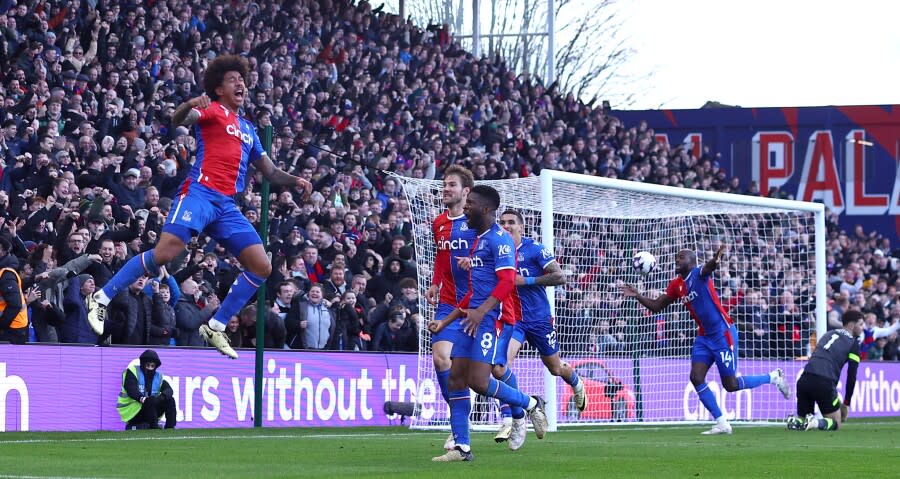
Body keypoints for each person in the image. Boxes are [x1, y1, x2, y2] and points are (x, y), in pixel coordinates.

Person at [86, 54, 312, 359]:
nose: (241, 84)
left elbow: (269, 171)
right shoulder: (212, 110)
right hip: (200, 194)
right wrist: (192, 103)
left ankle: (216, 326)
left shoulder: (248, 128)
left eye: (242, 80)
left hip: (227, 205)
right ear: (218, 89)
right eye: (233, 80)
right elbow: (178, 120)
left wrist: (296, 179)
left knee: (262, 266)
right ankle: (101, 297)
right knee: (164, 253)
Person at [428, 185, 548, 462]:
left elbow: (507, 281)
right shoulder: (478, 240)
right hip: (470, 318)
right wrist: (447, 321)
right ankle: (462, 447)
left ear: (484, 209)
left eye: (469, 203)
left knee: (480, 382)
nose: (465, 207)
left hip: (490, 320)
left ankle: (530, 403)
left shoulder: (500, 240)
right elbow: (473, 289)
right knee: (457, 379)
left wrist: (481, 312)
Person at [619, 247, 790, 435]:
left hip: (723, 334)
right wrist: (637, 295)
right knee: (696, 377)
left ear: (691, 261)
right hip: (704, 337)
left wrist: (715, 260)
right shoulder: (676, 285)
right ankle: (722, 422)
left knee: (730, 385)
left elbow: (708, 267)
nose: (677, 259)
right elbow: (657, 306)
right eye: (676, 256)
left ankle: (774, 377)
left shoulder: (698, 274)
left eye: (681, 257)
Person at [492, 209, 585, 448]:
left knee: (555, 368)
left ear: (521, 227)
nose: (506, 225)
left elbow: (559, 276)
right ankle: (514, 418)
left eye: (511, 222)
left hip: (540, 320)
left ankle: (575, 381)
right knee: (499, 367)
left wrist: (528, 280)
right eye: (502, 222)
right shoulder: (496, 250)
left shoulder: (535, 249)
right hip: (514, 321)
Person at [423, 165, 477, 451]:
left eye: (452, 185)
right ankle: (460, 425)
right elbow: (442, 259)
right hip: (447, 302)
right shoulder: (438, 222)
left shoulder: (476, 222)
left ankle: (517, 411)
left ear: (465, 191)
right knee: (440, 358)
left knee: (485, 373)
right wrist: (434, 283)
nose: (446, 189)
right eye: (444, 185)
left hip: (477, 304)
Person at [787, 310, 863, 432]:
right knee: (836, 423)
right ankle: (815, 422)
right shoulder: (853, 344)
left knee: (803, 418)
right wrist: (846, 403)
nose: (862, 328)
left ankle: (796, 421)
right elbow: (851, 375)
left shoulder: (828, 334)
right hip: (824, 382)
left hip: (804, 379)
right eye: (861, 324)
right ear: (851, 325)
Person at [117, 349, 176, 430]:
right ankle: (154, 428)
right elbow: (131, 390)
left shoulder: (158, 376)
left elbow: (169, 390)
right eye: (147, 365)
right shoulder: (132, 371)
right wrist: (143, 399)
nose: (150, 368)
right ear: (143, 364)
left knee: (170, 400)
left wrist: (160, 398)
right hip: (132, 412)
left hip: (150, 410)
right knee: (150, 401)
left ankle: (170, 428)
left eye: (152, 366)